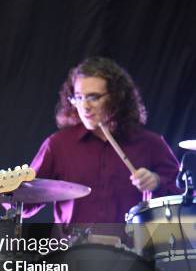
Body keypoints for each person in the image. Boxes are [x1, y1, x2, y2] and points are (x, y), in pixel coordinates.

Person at [24, 56, 179, 225]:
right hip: (73, 249)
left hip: (134, 248)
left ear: (117, 98)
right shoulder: (58, 145)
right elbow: (25, 203)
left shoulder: (150, 144)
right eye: (79, 97)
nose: (84, 106)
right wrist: (9, 193)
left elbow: (184, 195)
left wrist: (157, 181)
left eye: (93, 97)